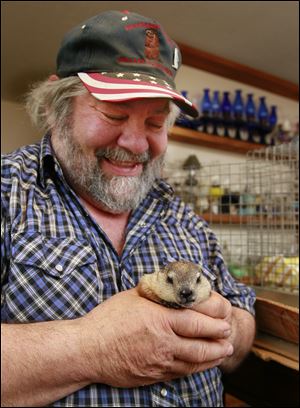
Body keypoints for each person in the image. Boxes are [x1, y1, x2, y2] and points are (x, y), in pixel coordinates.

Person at [1, 10, 256, 407]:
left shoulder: (179, 211)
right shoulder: (8, 194)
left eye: (155, 123)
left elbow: (241, 314)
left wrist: (228, 329)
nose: (137, 144)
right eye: (113, 114)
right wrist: (90, 348)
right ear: (55, 108)